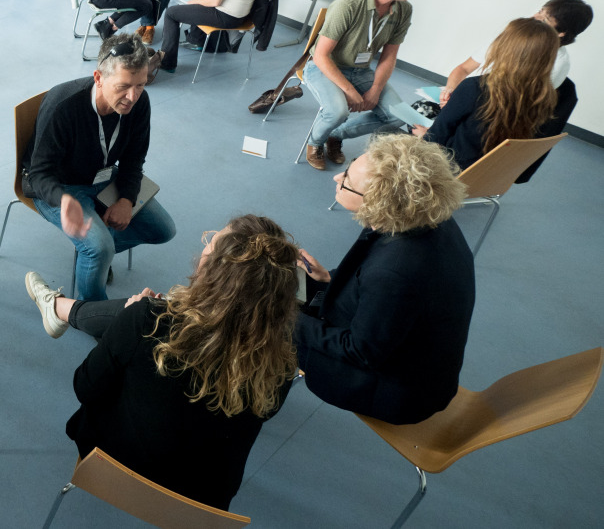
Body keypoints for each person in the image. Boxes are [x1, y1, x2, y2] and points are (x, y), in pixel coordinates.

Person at [24, 216, 301, 510]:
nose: (205, 246)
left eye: (211, 242)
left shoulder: (148, 320)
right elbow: (263, 412)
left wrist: (128, 321)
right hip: (202, 505)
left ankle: (57, 308)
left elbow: (84, 386)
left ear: (213, 270)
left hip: (109, 465)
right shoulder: (283, 365)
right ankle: (60, 309)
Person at [296, 134, 474, 425]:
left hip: (394, 392)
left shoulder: (396, 271)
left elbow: (359, 351)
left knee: (255, 321)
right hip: (410, 354)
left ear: (379, 203)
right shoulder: (429, 218)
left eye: (347, 181)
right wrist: (329, 278)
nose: (337, 177)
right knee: (299, 289)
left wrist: (284, 322)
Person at [23, 34, 176, 301]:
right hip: (58, 186)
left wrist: (127, 199)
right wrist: (63, 200)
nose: (132, 96)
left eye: (140, 85)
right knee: (99, 248)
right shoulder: (63, 106)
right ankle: (93, 313)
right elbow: (39, 174)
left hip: (102, 176)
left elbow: (133, 159)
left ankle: (95, 255)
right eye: (124, 86)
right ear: (98, 78)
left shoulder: (140, 103)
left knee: (164, 229)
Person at [302, 0, 427, 170]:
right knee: (338, 111)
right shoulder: (348, 5)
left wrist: (376, 90)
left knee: (397, 116)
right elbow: (321, 55)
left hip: (359, 70)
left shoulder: (403, 10)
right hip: (323, 67)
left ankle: (335, 135)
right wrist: (350, 91)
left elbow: (389, 56)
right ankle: (315, 143)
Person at [421, 18, 575, 170]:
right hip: (492, 177)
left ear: (503, 48)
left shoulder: (474, 87)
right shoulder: (549, 98)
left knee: (418, 115)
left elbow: (434, 138)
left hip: (449, 170)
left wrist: (423, 135)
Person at [440, 0, 593, 107]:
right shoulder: (511, 36)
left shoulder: (557, 65)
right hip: (463, 101)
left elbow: (508, 108)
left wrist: (455, 107)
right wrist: (450, 92)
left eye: (544, 19)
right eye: (540, 11)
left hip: (481, 116)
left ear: (561, 33)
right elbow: (464, 68)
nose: (534, 17)